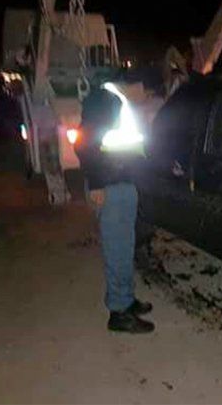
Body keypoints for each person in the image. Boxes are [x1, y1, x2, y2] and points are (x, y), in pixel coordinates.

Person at [75, 87, 154, 334]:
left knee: (125, 247)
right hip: (110, 185)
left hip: (121, 181)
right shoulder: (103, 98)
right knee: (118, 249)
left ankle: (126, 299)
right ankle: (119, 313)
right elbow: (85, 141)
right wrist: (97, 183)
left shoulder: (117, 99)